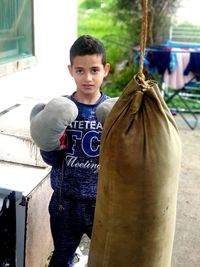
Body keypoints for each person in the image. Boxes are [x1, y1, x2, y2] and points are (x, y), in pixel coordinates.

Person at [30, 35, 110, 267]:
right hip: (65, 203)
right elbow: (52, 159)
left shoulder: (113, 112)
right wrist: (50, 144)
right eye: (80, 70)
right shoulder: (60, 109)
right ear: (70, 70)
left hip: (102, 203)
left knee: (108, 258)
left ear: (105, 70)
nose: (87, 78)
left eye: (94, 70)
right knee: (61, 259)